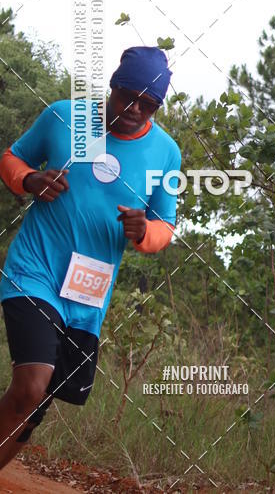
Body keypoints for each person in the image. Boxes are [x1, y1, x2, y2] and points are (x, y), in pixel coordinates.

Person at [0, 46, 181, 470]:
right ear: (113, 86)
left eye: (149, 104)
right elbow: (10, 158)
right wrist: (30, 179)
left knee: (36, 406)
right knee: (31, 385)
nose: (135, 109)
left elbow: (165, 225)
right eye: (128, 96)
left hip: (86, 296)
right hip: (34, 270)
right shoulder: (64, 117)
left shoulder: (165, 152)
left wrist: (143, 233)